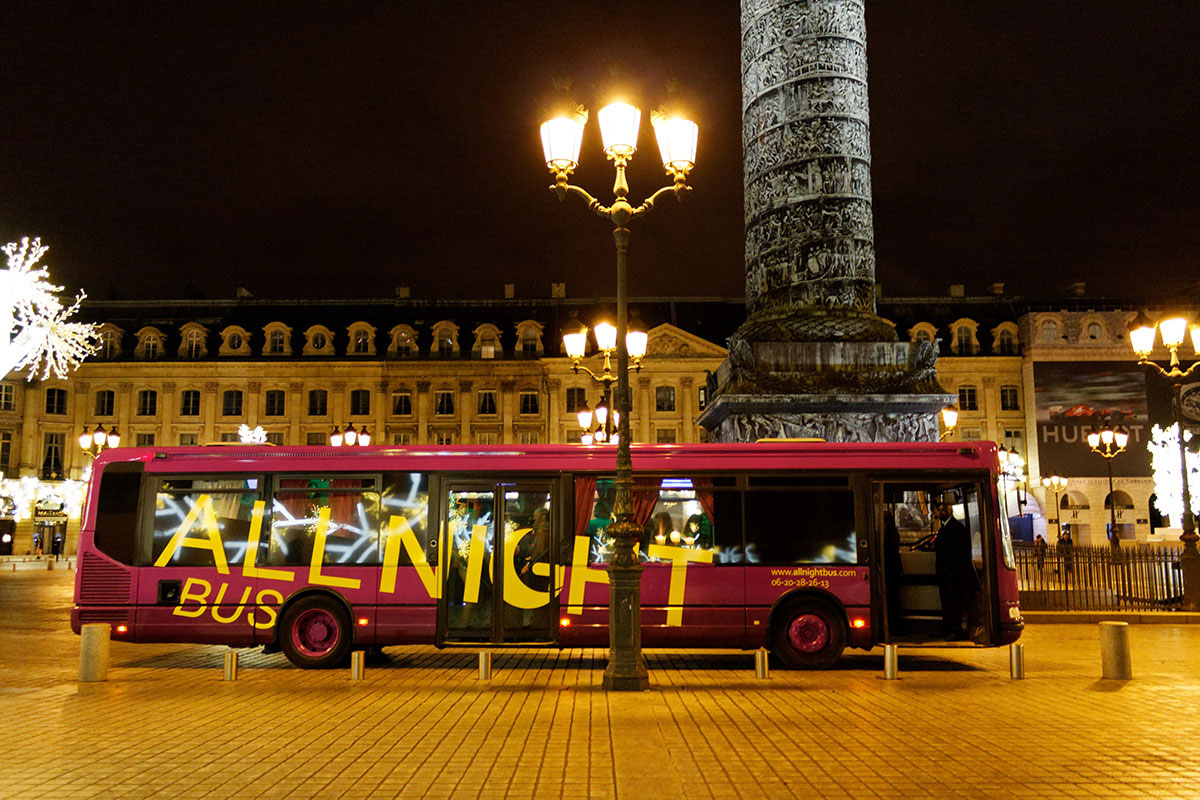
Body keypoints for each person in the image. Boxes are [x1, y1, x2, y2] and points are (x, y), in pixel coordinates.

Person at [933, 502, 977, 640]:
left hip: (952, 573)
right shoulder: (946, 527)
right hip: (946, 571)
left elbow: (959, 551)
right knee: (946, 601)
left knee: (953, 602)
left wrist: (952, 569)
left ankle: (955, 630)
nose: (940, 513)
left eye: (942, 510)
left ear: (949, 511)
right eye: (939, 510)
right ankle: (948, 627)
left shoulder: (956, 528)